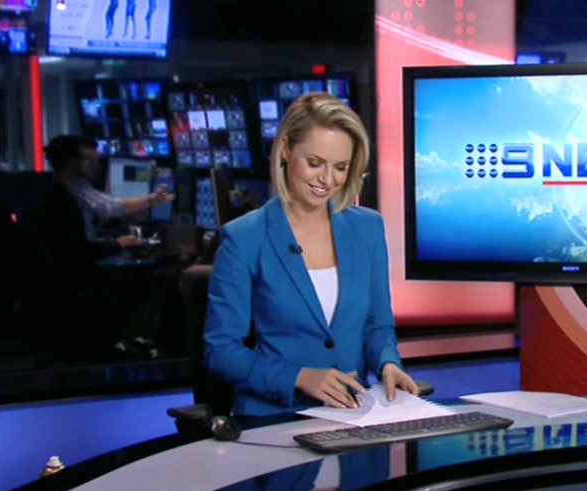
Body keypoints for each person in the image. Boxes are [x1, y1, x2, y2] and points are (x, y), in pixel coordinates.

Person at [204, 92, 419, 417]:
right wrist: (298, 377)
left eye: (340, 167)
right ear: (286, 149)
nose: (327, 180)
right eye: (315, 163)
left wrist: (388, 362)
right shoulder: (244, 237)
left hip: (352, 414)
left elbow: (377, 325)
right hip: (273, 419)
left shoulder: (368, 228)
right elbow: (220, 352)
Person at [25, 135, 177, 359]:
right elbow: (78, 250)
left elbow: (97, 221)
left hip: (65, 276)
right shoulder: (65, 196)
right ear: (74, 162)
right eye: (91, 160)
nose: (98, 165)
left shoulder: (61, 189)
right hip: (75, 279)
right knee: (160, 277)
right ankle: (135, 343)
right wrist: (118, 244)